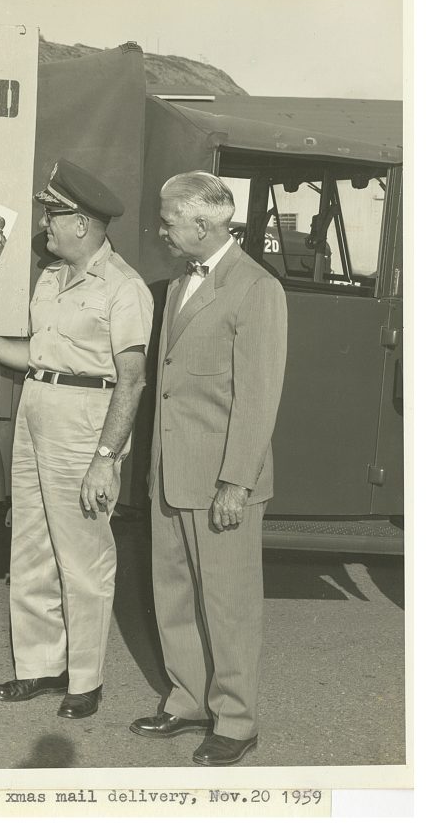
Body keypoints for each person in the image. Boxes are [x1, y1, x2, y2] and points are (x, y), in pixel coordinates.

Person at [0, 159, 152, 719]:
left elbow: (131, 379)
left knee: (84, 555)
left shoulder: (124, 288)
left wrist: (106, 458)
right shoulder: (50, 278)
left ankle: (85, 681)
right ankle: (39, 668)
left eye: (53, 215)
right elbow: (39, 357)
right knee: (32, 546)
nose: (46, 225)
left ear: (82, 223)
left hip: (85, 421)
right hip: (37, 409)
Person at [130, 171, 287, 766]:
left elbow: (258, 396)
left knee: (228, 603)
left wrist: (236, 481)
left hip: (222, 479)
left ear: (205, 222)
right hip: (173, 472)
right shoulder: (178, 285)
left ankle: (237, 720)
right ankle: (188, 698)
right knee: (172, 594)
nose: (163, 227)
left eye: (170, 218)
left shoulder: (255, 289)